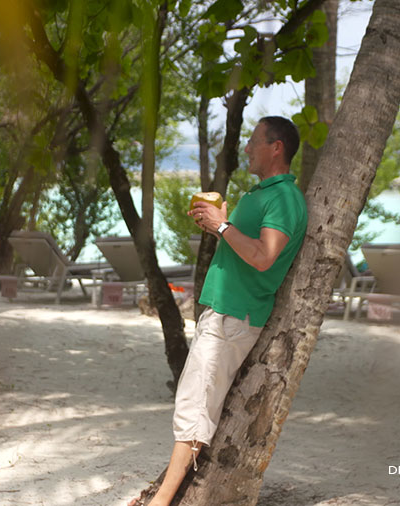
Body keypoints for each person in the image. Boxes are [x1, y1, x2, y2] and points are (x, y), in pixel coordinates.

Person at [130, 116, 307, 506]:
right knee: (196, 402)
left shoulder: (283, 198)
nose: (247, 148)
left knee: (195, 406)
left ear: (276, 147)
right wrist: (217, 225)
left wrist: (224, 226)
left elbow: (264, 257)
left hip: (235, 316)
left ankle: (160, 502)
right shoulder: (263, 193)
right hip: (226, 312)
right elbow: (246, 247)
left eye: (254, 141)